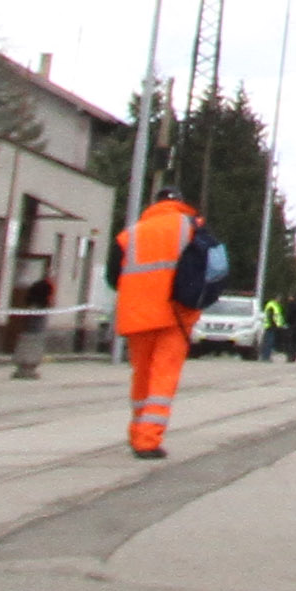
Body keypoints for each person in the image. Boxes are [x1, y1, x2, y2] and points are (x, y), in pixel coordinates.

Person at [115, 188, 219, 459]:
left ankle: (138, 431)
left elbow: (112, 274)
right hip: (176, 313)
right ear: (180, 203)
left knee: (142, 375)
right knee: (163, 377)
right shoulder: (192, 226)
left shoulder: (132, 232)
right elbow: (215, 266)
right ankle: (148, 440)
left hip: (137, 313)